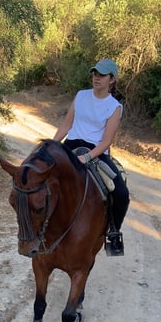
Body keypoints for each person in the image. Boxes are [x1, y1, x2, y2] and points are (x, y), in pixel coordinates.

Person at [52, 58, 130, 255]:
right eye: (95, 73)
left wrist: (86, 159)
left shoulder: (114, 107)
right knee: (40, 176)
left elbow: (106, 142)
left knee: (121, 194)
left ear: (112, 79)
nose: (97, 78)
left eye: (102, 75)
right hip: (70, 145)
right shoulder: (81, 96)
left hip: (95, 152)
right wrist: (52, 146)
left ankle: (113, 233)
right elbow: (66, 126)